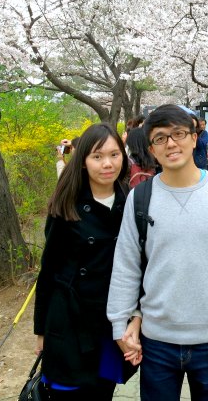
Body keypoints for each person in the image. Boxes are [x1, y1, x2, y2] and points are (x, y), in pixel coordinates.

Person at [107, 104, 208, 401]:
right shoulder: (141, 197)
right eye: (160, 138)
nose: (171, 143)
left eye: (178, 134)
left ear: (194, 137)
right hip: (156, 342)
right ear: (151, 148)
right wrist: (120, 326)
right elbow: (126, 266)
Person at [34, 124, 139, 400]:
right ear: (82, 162)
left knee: (101, 392)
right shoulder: (66, 204)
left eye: (115, 155)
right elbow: (49, 270)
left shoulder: (131, 201)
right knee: (66, 391)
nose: (108, 164)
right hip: (69, 320)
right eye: (97, 156)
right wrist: (41, 329)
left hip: (110, 322)